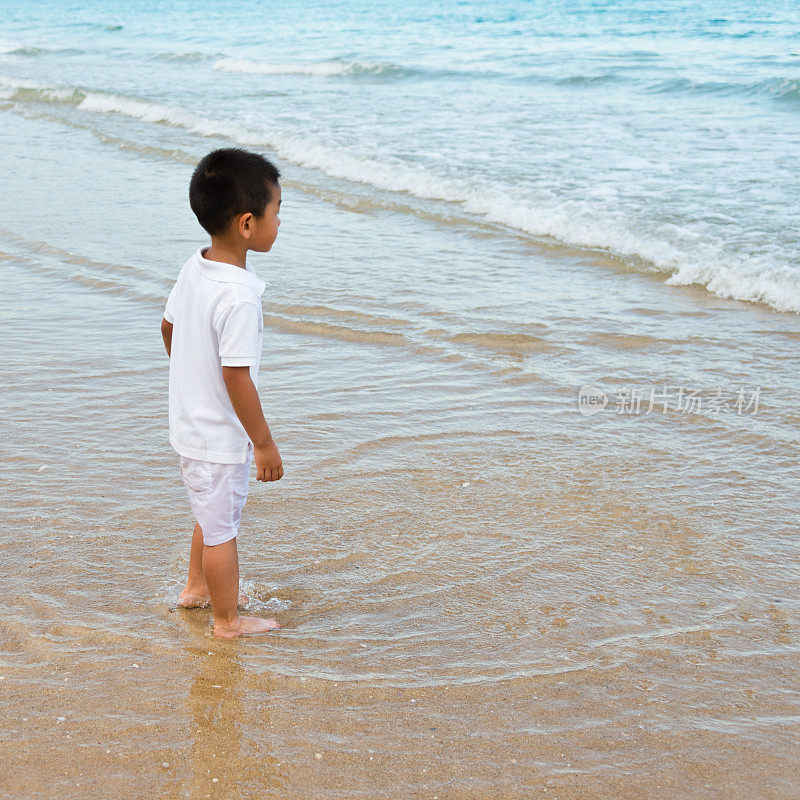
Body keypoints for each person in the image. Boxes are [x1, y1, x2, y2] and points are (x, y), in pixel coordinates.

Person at [160, 147, 284, 638]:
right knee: (222, 529)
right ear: (247, 224)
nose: (281, 221)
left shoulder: (198, 265)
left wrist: (191, 374)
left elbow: (169, 328)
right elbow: (237, 377)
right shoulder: (239, 298)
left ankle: (197, 589)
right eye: (278, 212)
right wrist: (264, 442)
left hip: (190, 421)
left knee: (207, 513)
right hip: (216, 434)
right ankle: (227, 621)